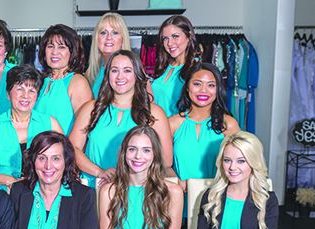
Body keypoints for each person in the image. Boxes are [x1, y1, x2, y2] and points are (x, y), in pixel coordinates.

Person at [69, 50, 174, 188]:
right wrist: (99, 172)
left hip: (137, 190)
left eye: (127, 70)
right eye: (114, 70)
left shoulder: (154, 113)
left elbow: (166, 161)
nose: (120, 76)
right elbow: (71, 148)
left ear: (137, 75)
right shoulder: (91, 109)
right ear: (107, 75)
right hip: (93, 189)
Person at [0, 64, 63, 188]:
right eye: (20, 89)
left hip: (41, 196)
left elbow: (66, 162)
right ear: (8, 94)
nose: (25, 96)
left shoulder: (50, 124)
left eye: (31, 91)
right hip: (1, 197)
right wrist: (7, 180)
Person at [170, 62, 240, 191]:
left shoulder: (229, 124)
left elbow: (240, 165)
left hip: (216, 198)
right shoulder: (172, 124)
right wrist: (176, 182)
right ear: (187, 87)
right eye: (197, 84)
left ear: (217, 89)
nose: (203, 90)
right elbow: (162, 164)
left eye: (211, 85)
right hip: (181, 198)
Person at [33, 24, 93, 135]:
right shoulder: (41, 80)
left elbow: (84, 130)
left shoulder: (77, 82)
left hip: (64, 150)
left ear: (72, 52)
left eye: (61, 47)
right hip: (37, 150)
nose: (55, 52)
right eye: (50, 46)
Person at [151, 15, 199, 117]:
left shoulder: (197, 69)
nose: (169, 43)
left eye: (175, 36)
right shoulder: (163, 66)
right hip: (156, 129)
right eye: (165, 39)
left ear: (188, 36)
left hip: (177, 130)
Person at [85, 12, 131, 99]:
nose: (109, 37)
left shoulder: (133, 70)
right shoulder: (92, 73)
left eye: (115, 32)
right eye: (103, 33)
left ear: (123, 38)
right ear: (96, 39)